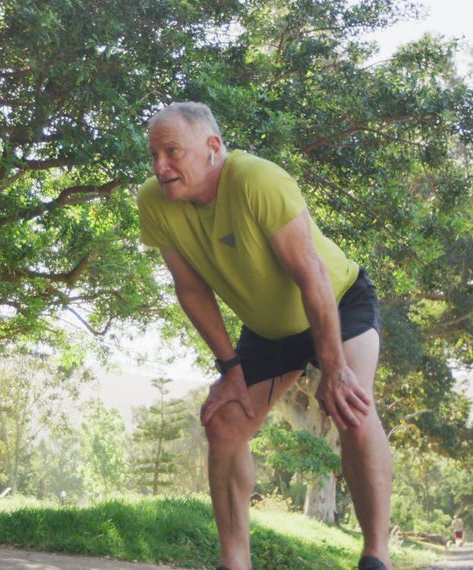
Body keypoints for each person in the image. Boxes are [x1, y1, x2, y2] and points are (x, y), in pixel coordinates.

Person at [136, 102, 393, 570]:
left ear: (213, 148)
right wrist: (230, 369)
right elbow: (190, 288)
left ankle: (376, 555)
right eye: (153, 155)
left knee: (351, 405)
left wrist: (334, 367)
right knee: (224, 422)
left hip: (336, 301)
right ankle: (235, 562)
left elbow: (311, 274)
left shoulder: (257, 179)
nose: (160, 166)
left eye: (172, 152)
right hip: (270, 328)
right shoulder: (153, 202)